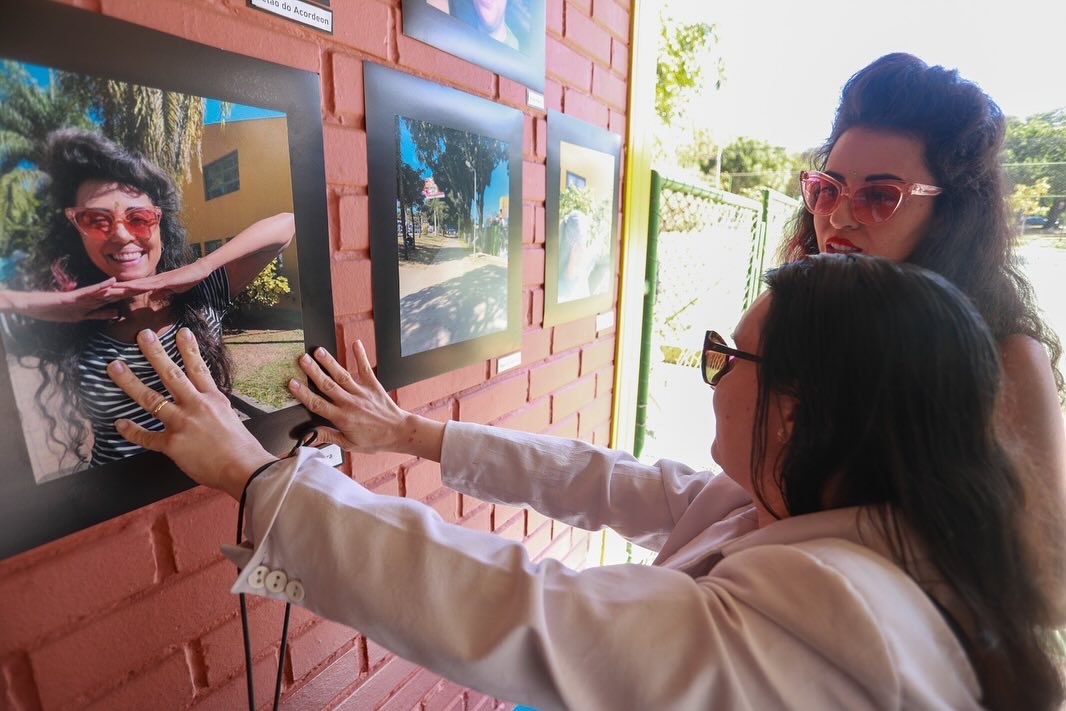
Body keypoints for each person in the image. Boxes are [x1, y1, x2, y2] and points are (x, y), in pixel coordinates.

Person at [106, 255, 1064, 710]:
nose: (712, 372)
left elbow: (520, 607)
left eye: (727, 355)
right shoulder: (816, 506)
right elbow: (603, 479)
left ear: (797, 410)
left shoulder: (834, 618)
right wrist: (409, 432)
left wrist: (252, 474)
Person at [780, 53, 1066, 520]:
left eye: (878, 196)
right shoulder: (799, 325)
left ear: (948, 219)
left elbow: (1039, 555)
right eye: (828, 188)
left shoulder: (1007, 362)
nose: (838, 216)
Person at [0, 128, 294, 467]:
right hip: (118, 492)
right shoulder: (67, 324)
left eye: (138, 217)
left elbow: (286, 226)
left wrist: (202, 266)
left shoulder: (203, 293)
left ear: (160, 224)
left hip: (212, 476)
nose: (121, 235)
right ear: (77, 234)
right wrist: (51, 306)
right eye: (96, 221)